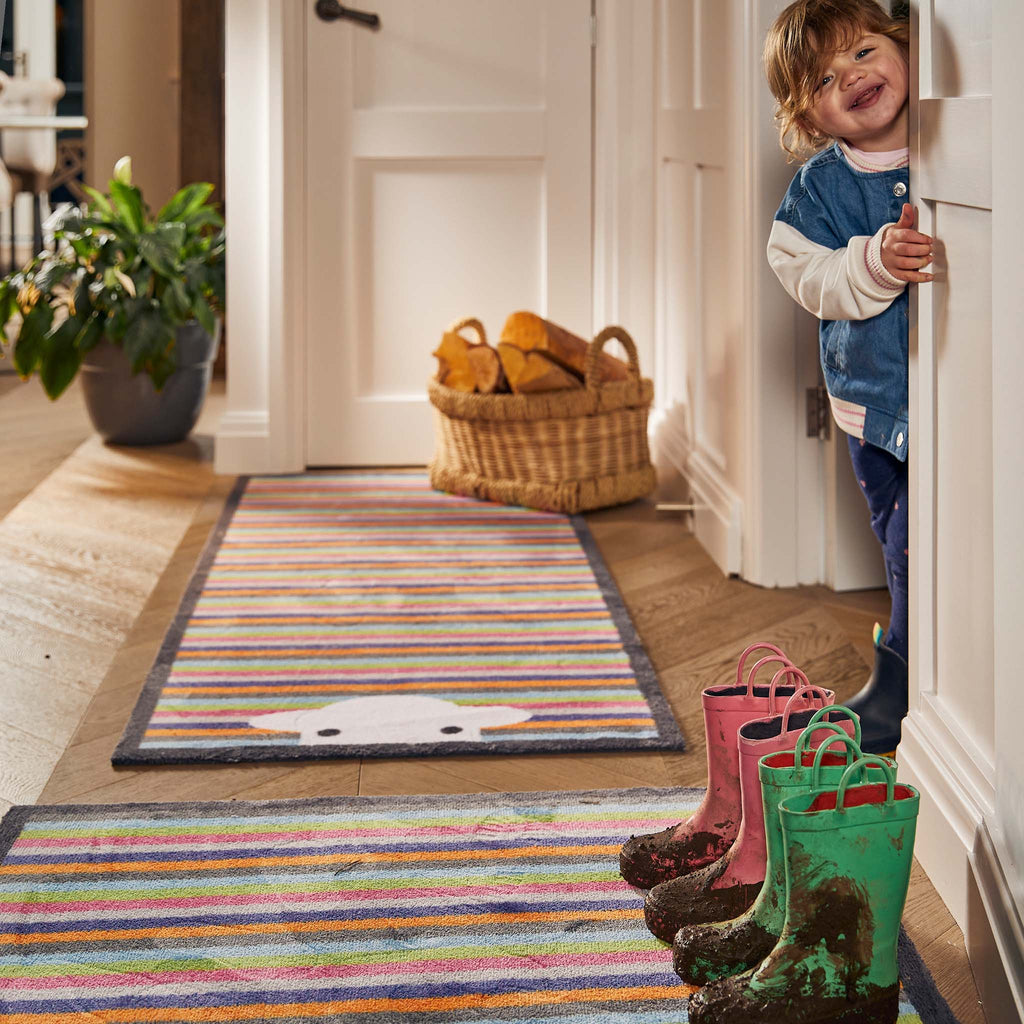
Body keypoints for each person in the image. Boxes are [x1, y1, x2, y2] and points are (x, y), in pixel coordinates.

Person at [763, 0, 934, 753]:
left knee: (926, 540)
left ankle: (903, 676)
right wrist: (871, 261)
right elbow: (807, 275)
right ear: (811, 115)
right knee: (900, 540)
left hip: (949, 401)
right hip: (873, 405)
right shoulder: (819, 190)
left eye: (865, 51)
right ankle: (906, 674)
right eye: (828, 78)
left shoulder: (950, 149)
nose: (854, 77)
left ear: (903, 44)